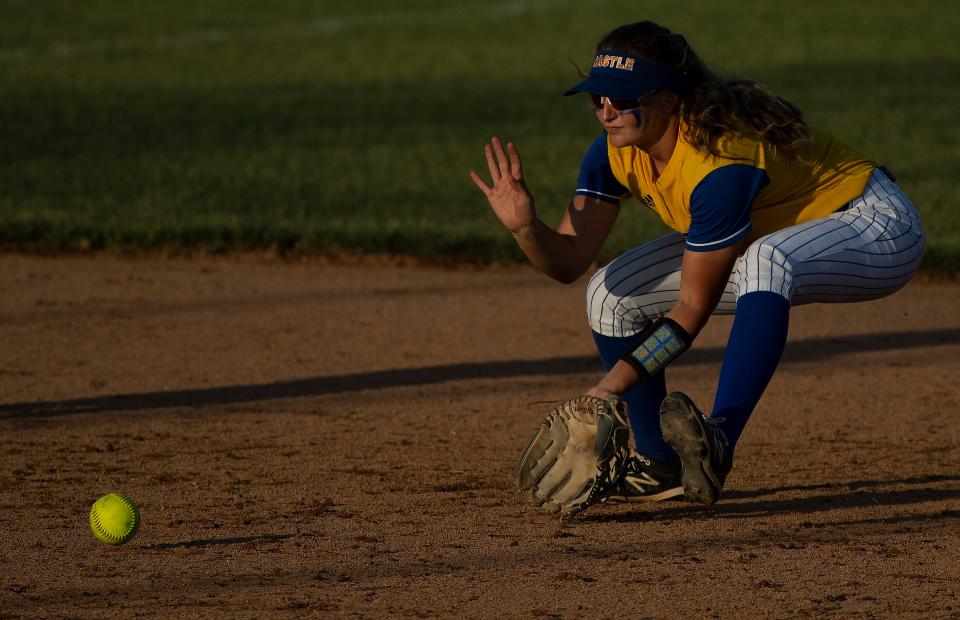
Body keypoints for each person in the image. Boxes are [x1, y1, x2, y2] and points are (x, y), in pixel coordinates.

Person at [469, 21, 924, 506]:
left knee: (766, 261)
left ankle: (721, 436)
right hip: (776, 235)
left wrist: (606, 390)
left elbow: (690, 310)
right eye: (597, 97)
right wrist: (525, 228)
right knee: (610, 292)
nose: (606, 111)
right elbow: (567, 261)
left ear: (668, 98)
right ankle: (657, 464)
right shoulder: (613, 155)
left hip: (874, 226)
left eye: (622, 98)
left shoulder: (718, 165)